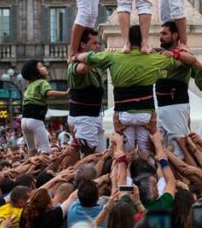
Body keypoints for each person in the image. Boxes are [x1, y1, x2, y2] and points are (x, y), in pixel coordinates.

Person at [74, 25, 182, 154]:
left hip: (124, 115)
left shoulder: (114, 57)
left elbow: (88, 57)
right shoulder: (153, 59)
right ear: (143, 40)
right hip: (145, 115)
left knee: (125, 153)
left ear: (127, 40)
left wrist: (75, 56)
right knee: (146, 154)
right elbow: (177, 62)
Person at [64, 29, 106, 163]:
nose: (98, 47)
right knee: (88, 159)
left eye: (99, 43)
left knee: (100, 158)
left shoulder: (96, 65)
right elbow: (82, 69)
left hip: (94, 116)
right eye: (95, 43)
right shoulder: (74, 65)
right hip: (84, 118)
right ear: (83, 45)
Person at [155, 21, 194, 155]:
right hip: (161, 108)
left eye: (165, 33)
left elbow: (191, 60)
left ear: (175, 35)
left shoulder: (182, 53)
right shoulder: (161, 55)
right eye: (160, 33)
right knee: (163, 150)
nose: (161, 37)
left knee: (179, 151)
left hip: (176, 107)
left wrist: (175, 54)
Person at [20, 60, 70, 154]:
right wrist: (65, 93)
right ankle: (42, 169)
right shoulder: (42, 82)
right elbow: (48, 93)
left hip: (24, 121)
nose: (45, 67)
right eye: (41, 66)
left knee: (31, 148)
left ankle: (28, 168)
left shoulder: (30, 85)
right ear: (35, 71)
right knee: (45, 150)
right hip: (35, 120)